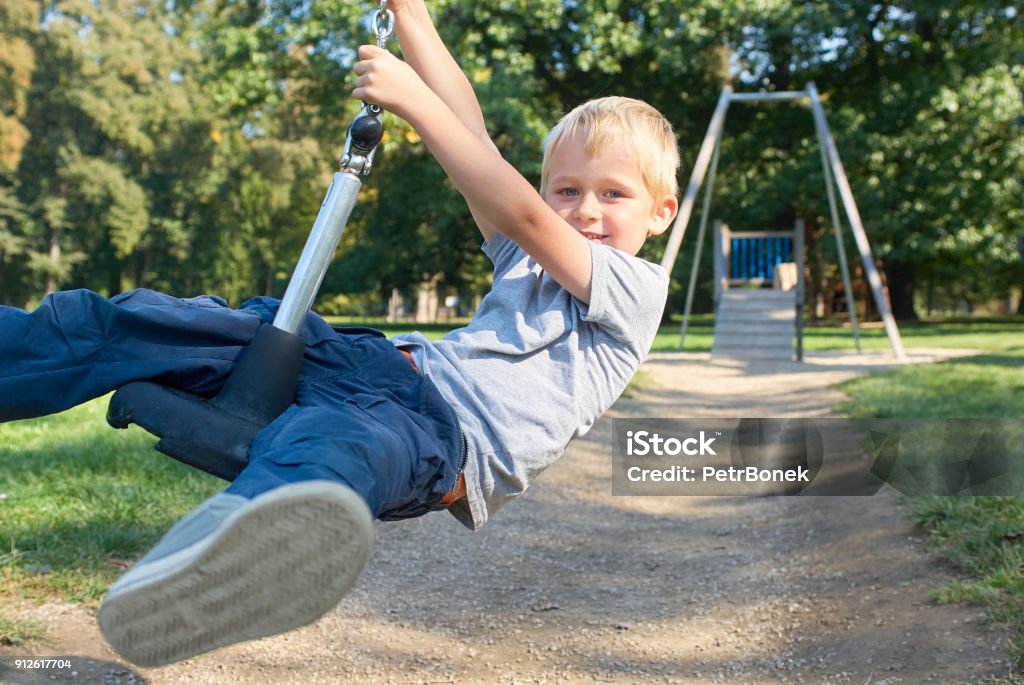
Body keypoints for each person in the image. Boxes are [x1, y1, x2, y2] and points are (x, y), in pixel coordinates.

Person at [0, 0, 680, 668]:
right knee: (164, 321)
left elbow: (525, 213)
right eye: (567, 189)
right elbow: (474, 141)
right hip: (378, 366)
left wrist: (413, 104)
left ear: (661, 212)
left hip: (443, 436)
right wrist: (411, 16)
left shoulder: (634, 288)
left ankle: (214, 576)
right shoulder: (526, 257)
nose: (585, 210)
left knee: (329, 450)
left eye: (612, 194)